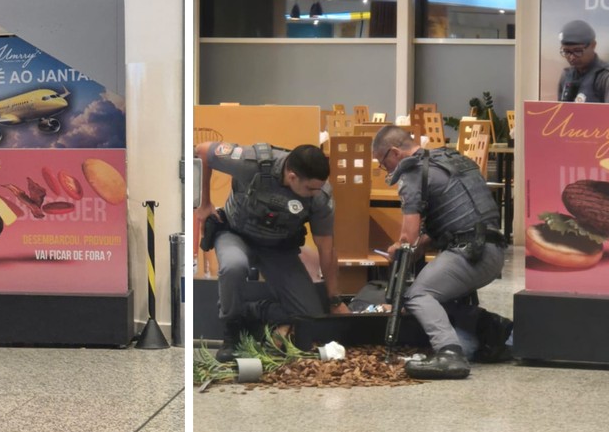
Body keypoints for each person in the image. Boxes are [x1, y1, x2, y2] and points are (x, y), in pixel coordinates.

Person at [195, 141, 351, 362]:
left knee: (310, 317)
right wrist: (204, 203)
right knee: (233, 266)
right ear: (292, 177)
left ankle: (248, 311)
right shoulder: (251, 162)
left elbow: (326, 249)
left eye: (318, 188)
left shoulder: (320, 196)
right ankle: (232, 332)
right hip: (236, 234)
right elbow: (203, 151)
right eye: (310, 189)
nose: (315, 193)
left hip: (278, 247)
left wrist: (335, 300)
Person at [373, 125, 508, 379]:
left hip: (470, 254)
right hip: (494, 250)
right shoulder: (450, 159)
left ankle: (449, 353)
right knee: (438, 296)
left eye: (383, 163)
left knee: (418, 295)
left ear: (394, 153)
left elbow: (408, 238)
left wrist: (396, 249)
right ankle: (490, 328)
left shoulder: (412, 173)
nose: (386, 170)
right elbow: (453, 221)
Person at [557, 19, 609, 104]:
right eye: (567, 52)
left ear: (593, 45)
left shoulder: (607, 78)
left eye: (577, 51)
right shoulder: (567, 76)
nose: (571, 57)